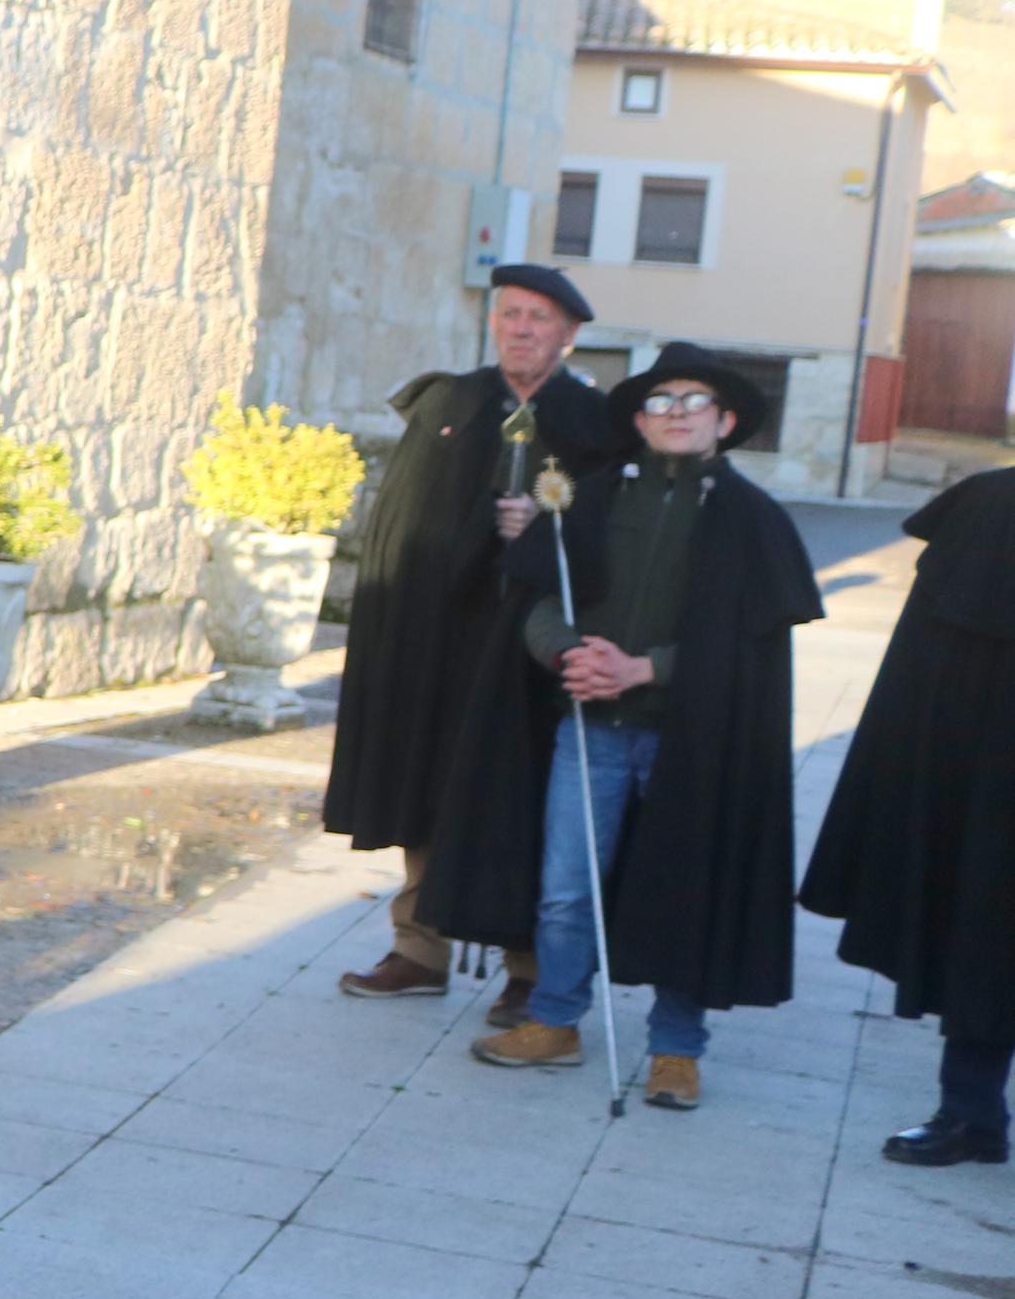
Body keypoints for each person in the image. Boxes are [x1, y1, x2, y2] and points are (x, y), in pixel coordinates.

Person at [473, 343, 822, 1106]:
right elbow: (539, 600)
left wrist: (645, 668)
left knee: (683, 885)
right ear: (637, 418)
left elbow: (744, 641)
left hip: (690, 738)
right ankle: (555, 1020)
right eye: (660, 402)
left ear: (724, 421)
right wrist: (571, 654)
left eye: (692, 401)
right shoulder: (587, 500)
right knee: (567, 890)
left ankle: (674, 1048)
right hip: (590, 728)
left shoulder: (751, 520)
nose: (675, 414)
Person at [322, 265, 620, 1017]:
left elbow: (612, 530)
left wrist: (547, 530)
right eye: (510, 314)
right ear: (493, 323)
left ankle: (526, 966)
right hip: (442, 636)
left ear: (568, 334)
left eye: (538, 318)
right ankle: (417, 948)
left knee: (520, 796)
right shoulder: (449, 405)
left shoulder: (593, 422)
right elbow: (402, 525)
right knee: (426, 777)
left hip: (534, 648)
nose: (521, 328)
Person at [799, 466, 1015, 1167]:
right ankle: (969, 1112)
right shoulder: (988, 504)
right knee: (984, 931)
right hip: (984, 776)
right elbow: (924, 662)